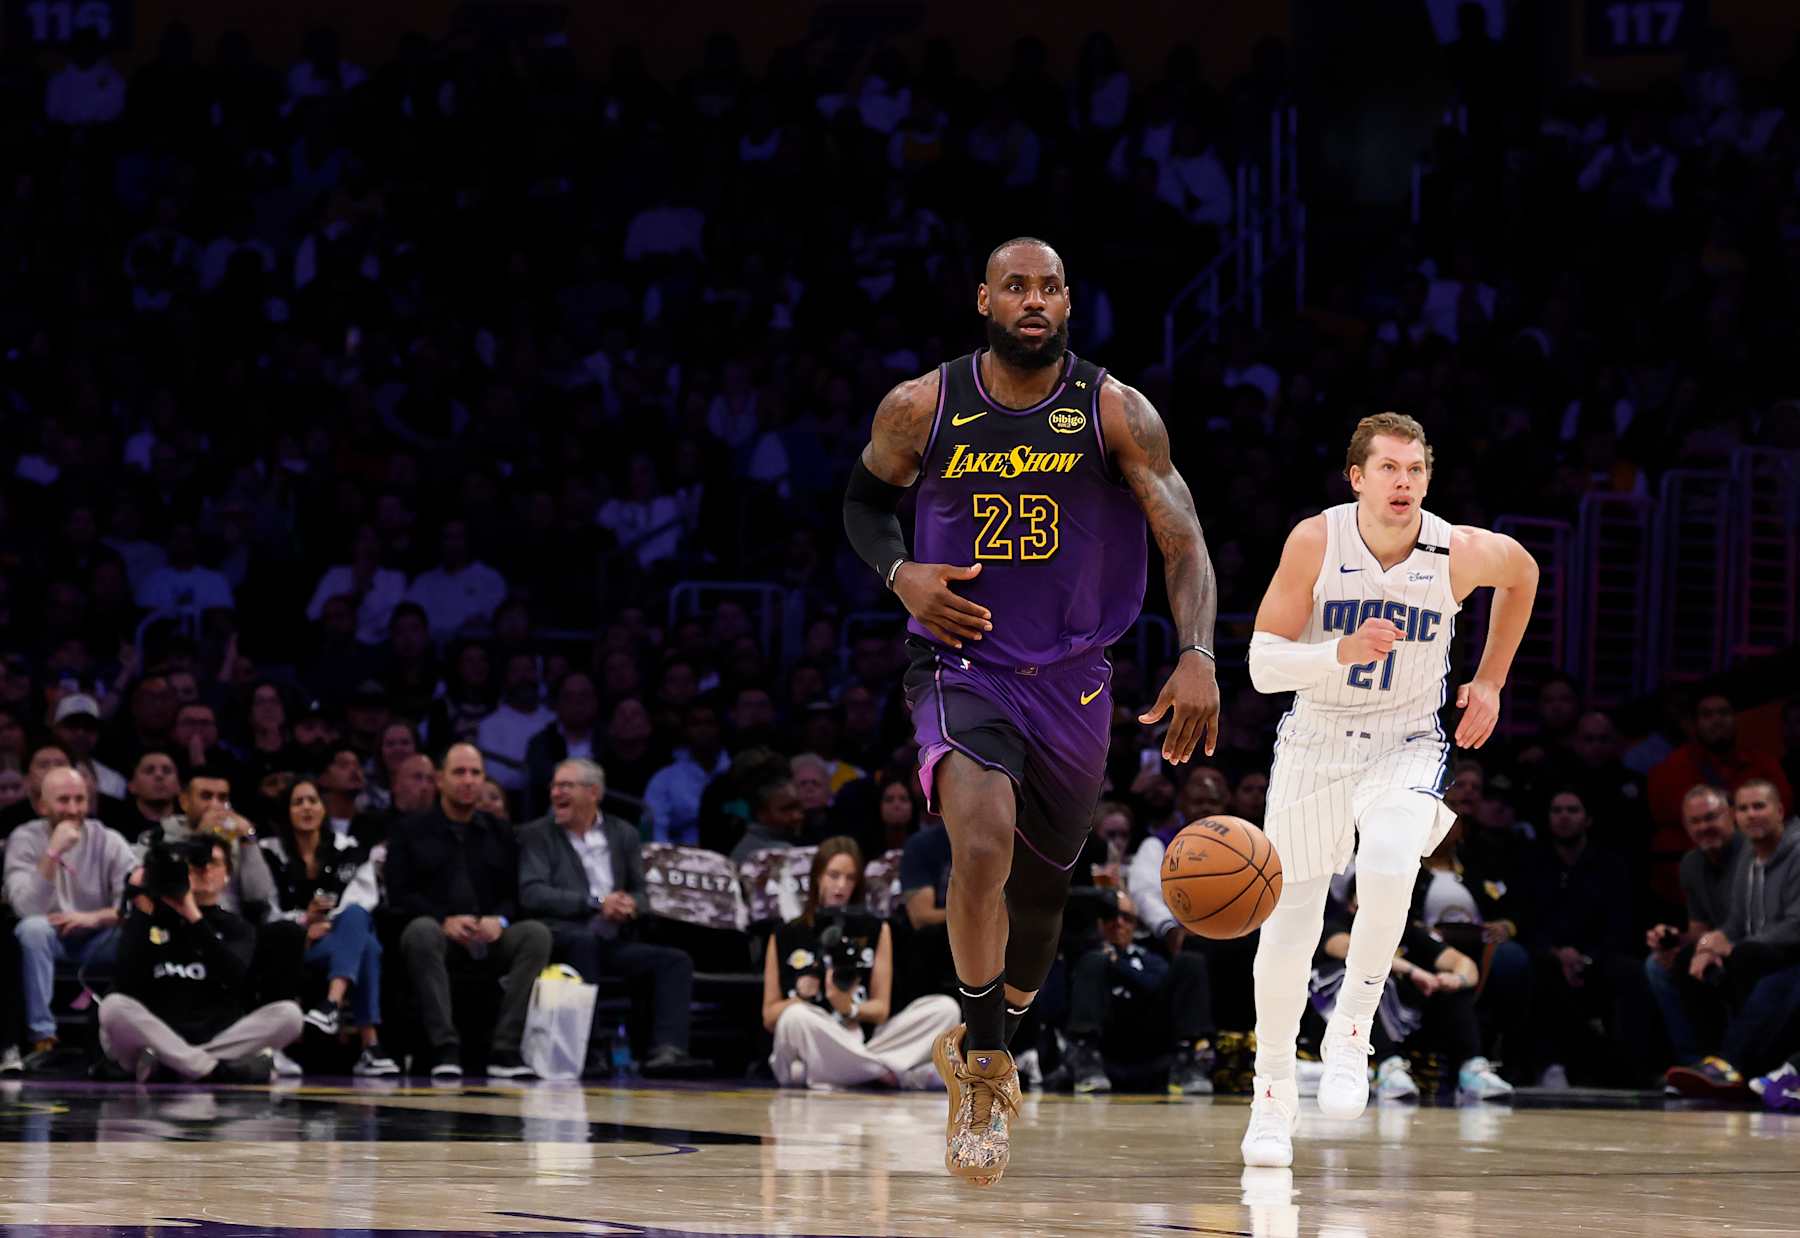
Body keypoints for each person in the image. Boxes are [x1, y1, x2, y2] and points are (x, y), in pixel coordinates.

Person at [842, 236, 1221, 1185]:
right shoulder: (922, 405)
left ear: (1067, 301)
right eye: (1016, 286)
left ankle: (991, 1035)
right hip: (961, 662)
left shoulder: (1115, 410)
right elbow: (863, 505)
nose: (1034, 300)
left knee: (1044, 901)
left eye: (1050, 286)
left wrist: (1198, 654)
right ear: (985, 300)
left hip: (1074, 678)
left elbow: (1184, 542)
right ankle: (981, 1068)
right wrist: (901, 574)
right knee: (980, 845)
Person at [1241, 412, 1540, 1168]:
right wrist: (1336, 651)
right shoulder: (1317, 539)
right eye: (1388, 469)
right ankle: (1272, 1092)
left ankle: (1352, 1029)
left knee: (1389, 860)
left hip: (1406, 742)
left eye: (1415, 470)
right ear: (1357, 477)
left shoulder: (1456, 550)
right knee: (1288, 931)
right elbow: (1262, 665)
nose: (1403, 483)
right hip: (1315, 743)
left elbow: (1524, 573)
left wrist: (1491, 681)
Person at [517, 758, 710, 1077]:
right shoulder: (537, 835)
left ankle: (667, 1051)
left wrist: (630, 905)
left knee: (675, 961)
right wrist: (595, 903)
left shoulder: (623, 834)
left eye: (566, 786)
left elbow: (643, 894)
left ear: (593, 792)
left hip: (612, 938)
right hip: (562, 937)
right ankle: (589, 1051)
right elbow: (532, 893)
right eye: (554, 786)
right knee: (584, 943)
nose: (555, 793)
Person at [383, 742, 551, 1079]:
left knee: (535, 934)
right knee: (420, 931)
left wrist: (499, 920)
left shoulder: (500, 831)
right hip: (438, 935)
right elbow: (400, 893)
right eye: (459, 772)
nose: (468, 780)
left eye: (476, 773)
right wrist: (443, 920)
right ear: (440, 780)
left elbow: (515, 895)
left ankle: (505, 1049)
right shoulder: (409, 830)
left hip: (488, 935)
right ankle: (444, 1047)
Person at [97, 835, 304, 1083]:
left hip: (215, 1035)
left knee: (290, 1015)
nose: (205, 870)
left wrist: (193, 916)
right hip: (156, 1035)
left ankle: (177, 1065)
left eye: (213, 863)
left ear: (227, 875)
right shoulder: (151, 920)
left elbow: (237, 978)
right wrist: (142, 907)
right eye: (195, 864)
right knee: (113, 1007)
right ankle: (213, 1069)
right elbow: (125, 981)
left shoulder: (237, 927)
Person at [762, 837, 960, 1090]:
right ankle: (886, 1072)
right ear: (817, 877)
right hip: (814, 1038)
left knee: (945, 1009)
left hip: (861, 1038)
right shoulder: (786, 933)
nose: (841, 886)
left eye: (850, 878)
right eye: (833, 875)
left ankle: (849, 1072)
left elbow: (880, 1009)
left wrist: (849, 1008)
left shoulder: (875, 928)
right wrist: (801, 997)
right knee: (794, 1018)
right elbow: (770, 1016)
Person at [1307, 878, 1508, 1104]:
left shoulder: (1407, 930)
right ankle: (1387, 1068)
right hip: (1340, 1024)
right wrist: (1414, 971)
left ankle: (1471, 1069)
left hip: (1405, 1020)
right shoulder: (1336, 926)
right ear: (1353, 903)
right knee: (1364, 980)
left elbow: (1466, 965)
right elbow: (1355, 952)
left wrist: (1456, 979)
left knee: (1452, 988)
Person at [1663, 779, 1800, 1097]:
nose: (1751, 814)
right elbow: (1736, 922)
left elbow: (1797, 924)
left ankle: (1731, 1062)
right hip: (1760, 954)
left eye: (1759, 806)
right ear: (1735, 816)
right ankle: (1704, 1063)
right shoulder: (1749, 857)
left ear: (1779, 811)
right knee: (1692, 963)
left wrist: (1736, 945)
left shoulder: (1797, 851)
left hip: (1791, 956)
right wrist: (1709, 944)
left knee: (1755, 965)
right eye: (1743, 808)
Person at [259, 779, 396, 1076]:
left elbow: (363, 901)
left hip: (335, 941)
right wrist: (303, 922)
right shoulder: (269, 852)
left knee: (359, 923)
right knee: (367, 946)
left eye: (313, 801)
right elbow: (266, 910)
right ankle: (369, 1043)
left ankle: (331, 1003)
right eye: (298, 802)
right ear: (286, 811)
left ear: (323, 809)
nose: (307, 808)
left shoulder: (349, 849)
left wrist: (327, 922)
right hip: (293, 946)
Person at [4, 768, 136, 1068]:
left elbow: (132, 906)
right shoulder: (24, 839)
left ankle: (123, 1038)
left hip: (99, 938)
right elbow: (26, 909)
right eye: (64, 800)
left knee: (137, 934)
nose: (74, 809)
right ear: (42, 806)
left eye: (80, 799)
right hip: (50, 939)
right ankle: (43, 1037)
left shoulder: (109, 840)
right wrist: (52, 853)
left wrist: (93, 918)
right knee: (32, 929)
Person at [1055, 888, 1216, 1096]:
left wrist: (1117, 964)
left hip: (1150, 1036)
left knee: (1190, 961)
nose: (1118, 922)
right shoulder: (1086, 956)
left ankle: (1189, 1057)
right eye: (1110, 916)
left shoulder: (1150, 958)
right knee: (1094, 960)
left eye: (1126, 917)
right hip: (1108, 1041)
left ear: (1136, 925)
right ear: (1099, 923)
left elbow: (1156, 986)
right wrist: (1106, 958)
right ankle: (1084, 1054)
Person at [1644, 785, 1743, 1071]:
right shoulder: (1691, 864)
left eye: (1711, 818)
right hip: (1713, 947)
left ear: (1731, 815)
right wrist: (1673, 940)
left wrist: (1711, 946)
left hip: (1755, 945)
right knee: (1658, 965)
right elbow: (1698, 930)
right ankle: (1694, 1064)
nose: (1703, 828)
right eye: (1695, 822)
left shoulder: (1754, 855)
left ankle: (1734, 1062)